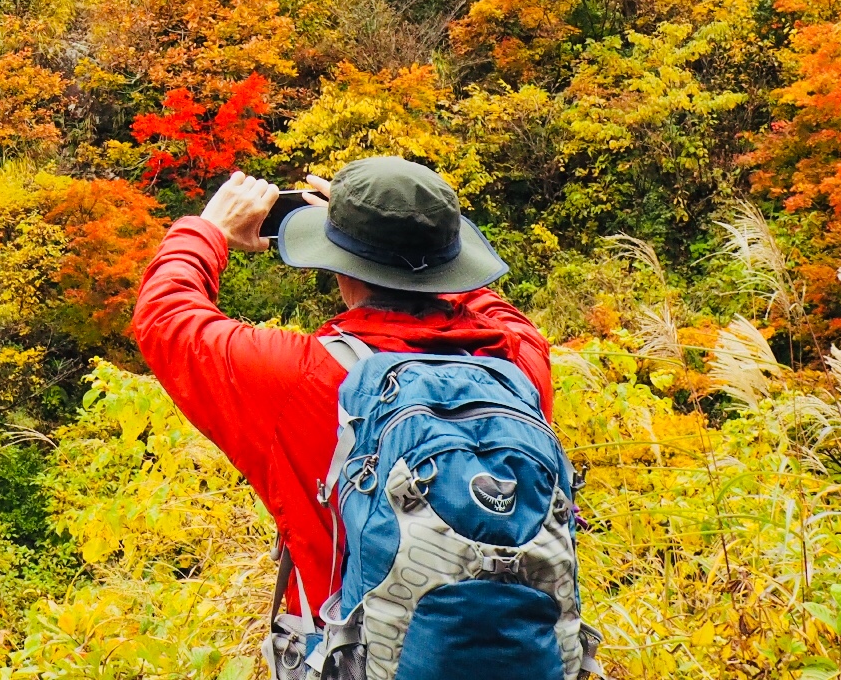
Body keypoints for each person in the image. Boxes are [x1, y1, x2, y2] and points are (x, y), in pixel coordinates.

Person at [132, 155, 554, 630]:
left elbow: (166, 318)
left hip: (354, 656)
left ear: (340, 265)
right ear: (453, 262)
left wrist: (209, 230)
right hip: (518, 652)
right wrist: (413, 238)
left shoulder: (299, 377)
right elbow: (481, 301)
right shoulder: (519, 364)